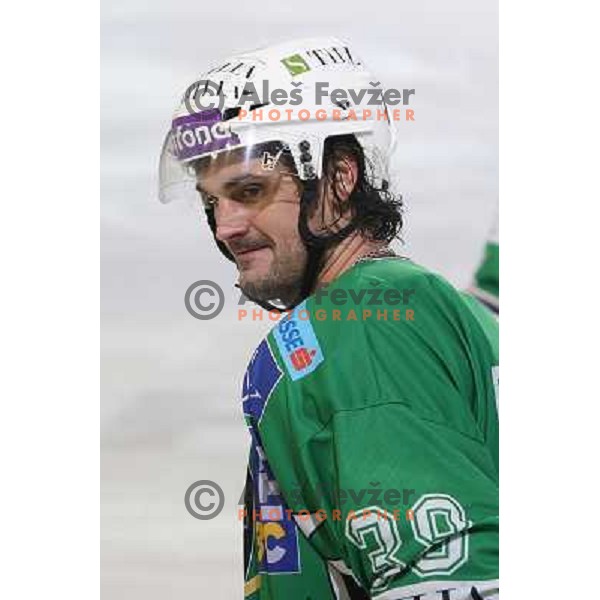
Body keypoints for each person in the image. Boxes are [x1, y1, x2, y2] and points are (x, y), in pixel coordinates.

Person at [159, 37, 499, 600]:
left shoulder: (355, 330)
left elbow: (461, 581)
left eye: (250, 190)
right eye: (213, 200)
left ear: (340, 177)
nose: (226, 227)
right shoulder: (430, 309)